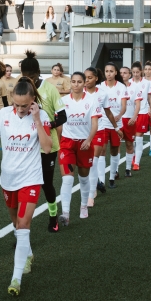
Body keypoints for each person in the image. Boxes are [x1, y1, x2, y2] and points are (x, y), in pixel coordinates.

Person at [0, 76, 52, 296]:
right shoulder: (2, 115)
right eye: (17, 104)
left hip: (30, 179)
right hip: (8, 179)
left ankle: (16, 278)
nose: (20, 109)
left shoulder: (41, 115)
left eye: (25, 105)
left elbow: (47, 148)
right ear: (12, 99)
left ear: (33, 102)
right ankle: (27, 253)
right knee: (16, 224)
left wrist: (37, 119)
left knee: (23, 224)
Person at [18, 51, 66, 232]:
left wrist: (47, 125)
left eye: (31, 76)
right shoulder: (19, 87)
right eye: (25, 76)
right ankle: (21, 225)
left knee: (46, 183)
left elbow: (63, 116)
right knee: (24, 184)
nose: (28, 79)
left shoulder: (49, 89)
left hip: (48, 146)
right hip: (25, 146)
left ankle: (53, 217)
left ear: (38, 73)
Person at [58, 72, 102, 225]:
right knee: (68, 178)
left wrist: (89, 140)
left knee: (83, 178)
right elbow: (59, 125)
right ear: (70, 83)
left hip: (85, 144)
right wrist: (59, 144)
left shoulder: (92, 101)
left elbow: (95, 124)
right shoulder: (62, 101)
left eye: (79, 82)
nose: (76, 84)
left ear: (84, 84)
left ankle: (84, 206)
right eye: (73, 81)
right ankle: (65, 213)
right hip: (67, 144)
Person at [84, 67, 122, 204]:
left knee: (93, 161)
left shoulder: (102, 94)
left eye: (89, 77)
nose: (86, 80)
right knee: (84, 164)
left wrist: (116, 128)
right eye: (85, 77)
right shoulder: (79, 92)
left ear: (96, 78)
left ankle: (91, 192)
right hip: (82, 131)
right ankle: (95, 184)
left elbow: (108, 112)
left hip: (99, 129)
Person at [98, 63, 128, 189]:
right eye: (106, 71)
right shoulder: (99, 87)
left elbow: (124, 106)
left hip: (117, 123)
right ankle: (101, 181)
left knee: (114, 150)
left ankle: (111, 177)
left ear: (116, 73)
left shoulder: (121, 87)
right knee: (102, 151)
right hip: (103, 122)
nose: (109, 73)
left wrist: (119, 115)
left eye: (111, 71)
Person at [126, 62, 151, 172]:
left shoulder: (147, 83)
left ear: (141, 72)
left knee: (139, 138)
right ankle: (133, 155)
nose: (135, 74)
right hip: (130, 114)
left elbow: (149, 98)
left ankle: (137, 163)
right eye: (133, 72)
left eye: (137, 72)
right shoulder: (128, 84)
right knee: (131, 139)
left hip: (142, 113)